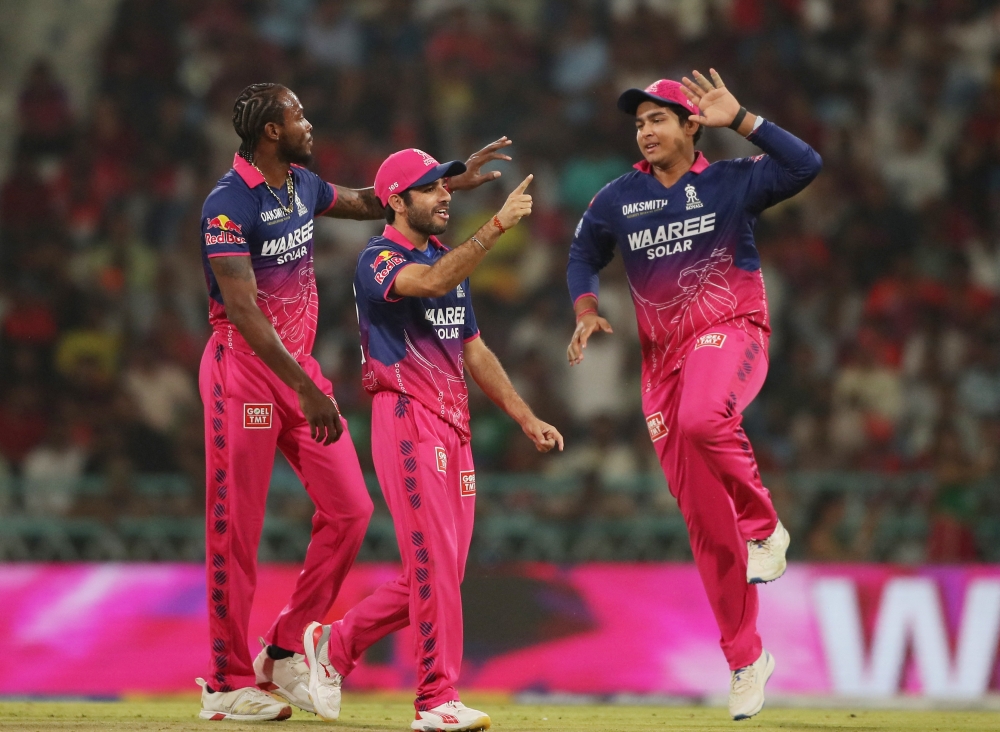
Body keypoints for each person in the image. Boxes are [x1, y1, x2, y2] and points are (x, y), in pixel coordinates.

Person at [195, 83, 512, 722]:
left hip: (300, 372)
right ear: (269, 132)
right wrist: (307, 387)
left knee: (351, 512)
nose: (308, 123)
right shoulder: (227, 206)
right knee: (237, 531)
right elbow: (243, 308)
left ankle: (287, 646)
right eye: (297, 116)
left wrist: (446, 187)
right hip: (245, 374)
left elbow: (374, 201)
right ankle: (227, 681)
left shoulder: (302, 187)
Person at [565, 70, 822, 720]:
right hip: (663, 370)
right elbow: (581, 255)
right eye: (638, 123)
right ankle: (745, 660)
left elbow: (807, 164)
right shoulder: (618, 198)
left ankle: (766, 529)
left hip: (733, 333)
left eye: (658, 119)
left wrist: (744, 120)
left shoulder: (732, 181)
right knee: (707, 527)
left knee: (707, 418)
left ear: (691, 125)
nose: (646, 131)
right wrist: (586, 308)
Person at [302, 149, 563, 732]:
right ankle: (435, 699)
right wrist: (495, 226)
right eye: (430, 188)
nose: (445, 195)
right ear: (396, 200)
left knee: (440, 570)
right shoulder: (378, 260)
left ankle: (335, 646)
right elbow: (430, 283)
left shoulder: (448, 256)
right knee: (435, 567)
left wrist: (524, 416)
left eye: (445, 186)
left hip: (456, 427)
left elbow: (474, 349)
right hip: (407, 419)